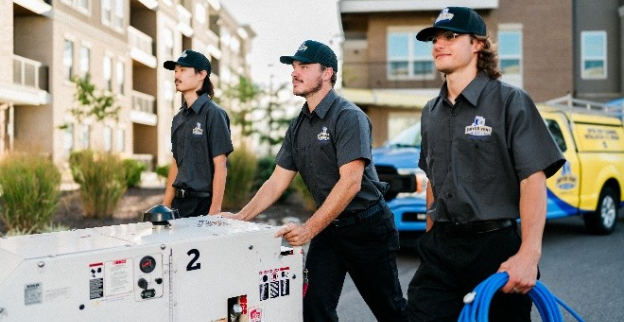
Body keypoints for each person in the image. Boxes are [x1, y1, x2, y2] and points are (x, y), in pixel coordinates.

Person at [220, 40, 408, 322]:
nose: (295, 72)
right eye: (294, 67)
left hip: (366, 228)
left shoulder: (348, 117)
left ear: (327, 73)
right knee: (313, 309)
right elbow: (276, 181)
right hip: (329, 230)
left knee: (389, 311)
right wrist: (240, 216)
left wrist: (308, 229)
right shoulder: (298, 125)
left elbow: (351, 182)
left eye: (304, 67)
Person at [406, 7, 566, 322]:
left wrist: (528, 255)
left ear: (478, 44)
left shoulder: (510, 101)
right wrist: (429, 236)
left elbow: (532, 179)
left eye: (451, 36)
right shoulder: (431, 112)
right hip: (441, 248)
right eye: (435, 38)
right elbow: (433, 183)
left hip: (494, 247)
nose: (439, 44)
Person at [162, 49, 233, 217]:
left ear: (202, 74)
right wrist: (165, 204)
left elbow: (220, 166)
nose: (177, 75)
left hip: (203, 206)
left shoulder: (214, 114)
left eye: (183, 70)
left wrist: (214, 212)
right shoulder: (178, 118)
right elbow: (176, 163)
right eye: (176, 70)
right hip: (178, 205)